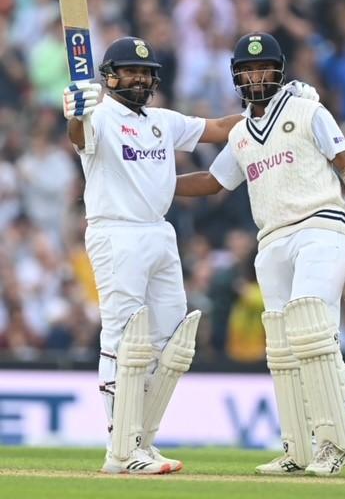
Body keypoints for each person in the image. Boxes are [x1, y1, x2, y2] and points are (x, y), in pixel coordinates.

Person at [62, 35, 317, 475]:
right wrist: (76, 111)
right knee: (123, 336)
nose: (139, 78)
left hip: (159, 233)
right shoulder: (99, 116)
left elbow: (220, 128)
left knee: (171, 339)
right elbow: (78, 136)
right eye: (130, 71)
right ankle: (118, 447)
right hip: (116, 231)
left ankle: (139, 439)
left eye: (146, 72)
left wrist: (281, 107)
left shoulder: (162, 120)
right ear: (109, 76)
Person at [175, 32, 345, 477]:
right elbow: (214, 183)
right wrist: (152, 183)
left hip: (323, 228)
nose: (256, 77)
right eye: (248, 70)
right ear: (237, 77)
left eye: (263, 68)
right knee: (281, 346)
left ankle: (334, 443)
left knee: (311, 326)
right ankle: (298, 448)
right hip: (271, 241)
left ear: (278, 71)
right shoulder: (240, 134)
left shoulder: (308, 110)